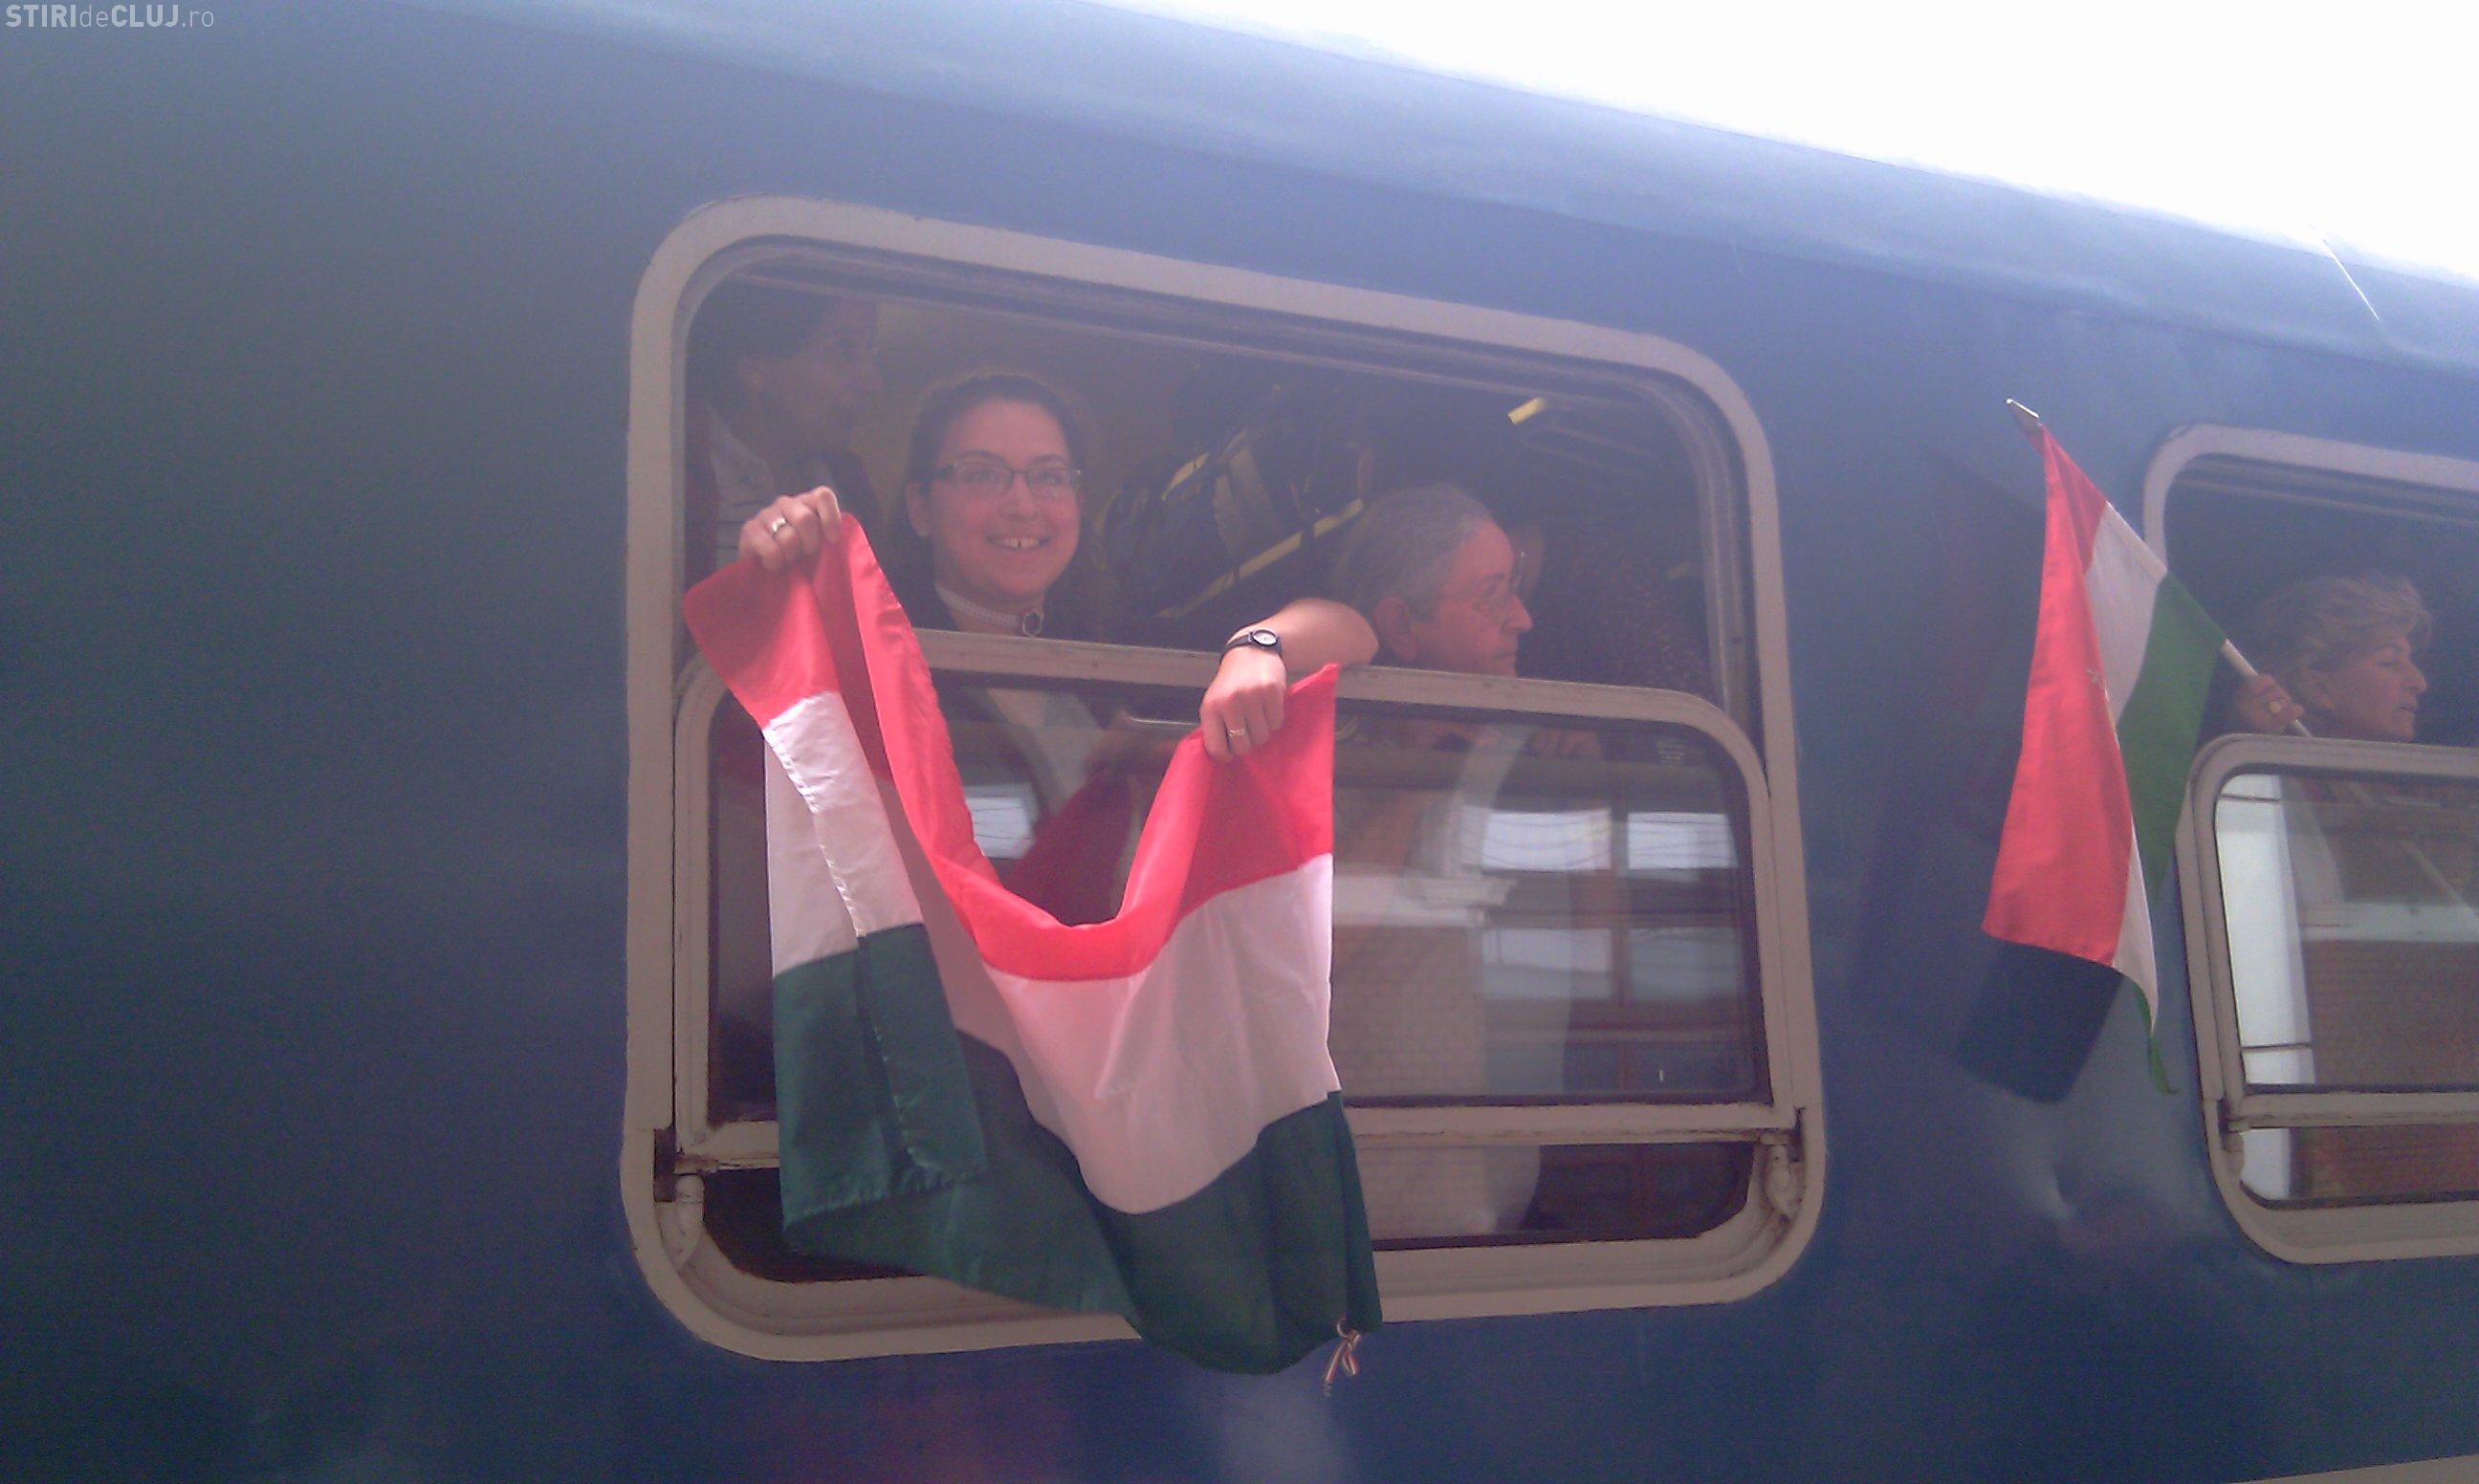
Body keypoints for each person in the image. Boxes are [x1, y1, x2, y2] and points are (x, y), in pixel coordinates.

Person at [685, 281, 884, 584]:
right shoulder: (681, 478)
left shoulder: (850, 482)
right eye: (843, 350)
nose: (873, 383)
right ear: (756, 370)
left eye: (871, 352)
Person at [2232, 573, 2433, 742]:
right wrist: (2250, 741)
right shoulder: (2267, 775)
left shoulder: (2432, 778)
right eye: (2388, 662)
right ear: (2317, 687)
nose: (2419, 683)